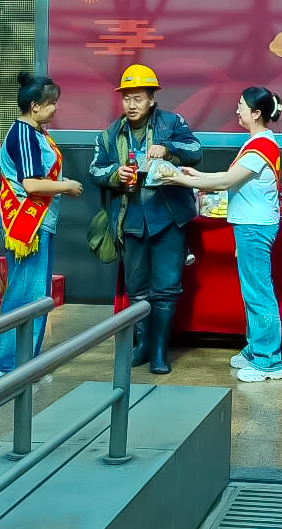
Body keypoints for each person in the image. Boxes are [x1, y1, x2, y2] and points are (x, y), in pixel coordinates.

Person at [163, 87, 282, 382]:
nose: (237, 111)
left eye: (241, 106)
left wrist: (179, 179)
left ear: (256, 113)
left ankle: (268, 361)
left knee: (258, 294)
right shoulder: (257, 142)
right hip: (251, 225)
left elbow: (226, 182)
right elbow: (229, 179)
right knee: (252, 292)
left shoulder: (261, 145)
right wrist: (197, 176)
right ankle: (256, 349)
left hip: (255, 227)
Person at [88, 63, 202, 374]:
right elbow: (94, 170)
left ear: (152, 99)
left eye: (138, 98)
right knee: (137, 288)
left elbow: (195, 150)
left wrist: (168, 149)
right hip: (131, 219)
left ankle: (161, 352)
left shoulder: (171, 123)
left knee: (166, 287)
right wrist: (116, 174)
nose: (131, 104)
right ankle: (143, 345)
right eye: (127, 98)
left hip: (168, 219)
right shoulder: (110, 134)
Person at [0, 73, 83, 380]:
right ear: (35, 106)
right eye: (51, 103)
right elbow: (31, 185)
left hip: (41, 221)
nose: (56, 108)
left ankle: (27, 360)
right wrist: (66, 186)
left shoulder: (36, 132)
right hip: (27, 222)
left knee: (37, 292)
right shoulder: (24, 135)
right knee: (23, 293)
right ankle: (7, 365)